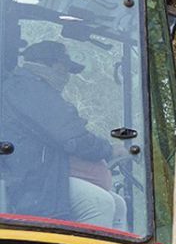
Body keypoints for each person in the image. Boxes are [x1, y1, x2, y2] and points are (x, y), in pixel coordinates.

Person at [2, 40, 123, 228]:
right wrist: (110, 150)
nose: (66, 77)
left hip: (41, 179)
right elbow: (73, 137)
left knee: (118, 204)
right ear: (53, 64)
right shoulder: (27, 89)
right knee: (99, 203)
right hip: (29, 185)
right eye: (65, 69)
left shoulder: (29, 88)